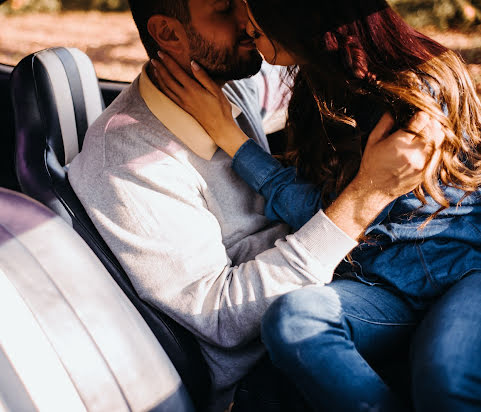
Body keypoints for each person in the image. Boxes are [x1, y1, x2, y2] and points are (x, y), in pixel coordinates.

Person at [67, 0, 443, 410]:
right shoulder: (127, 159)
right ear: (169, 33)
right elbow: (220, 317)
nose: (248, 23)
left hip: (352, 291)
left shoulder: (225, 84)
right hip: (275, 371)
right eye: (226, 9)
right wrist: (365, 197)